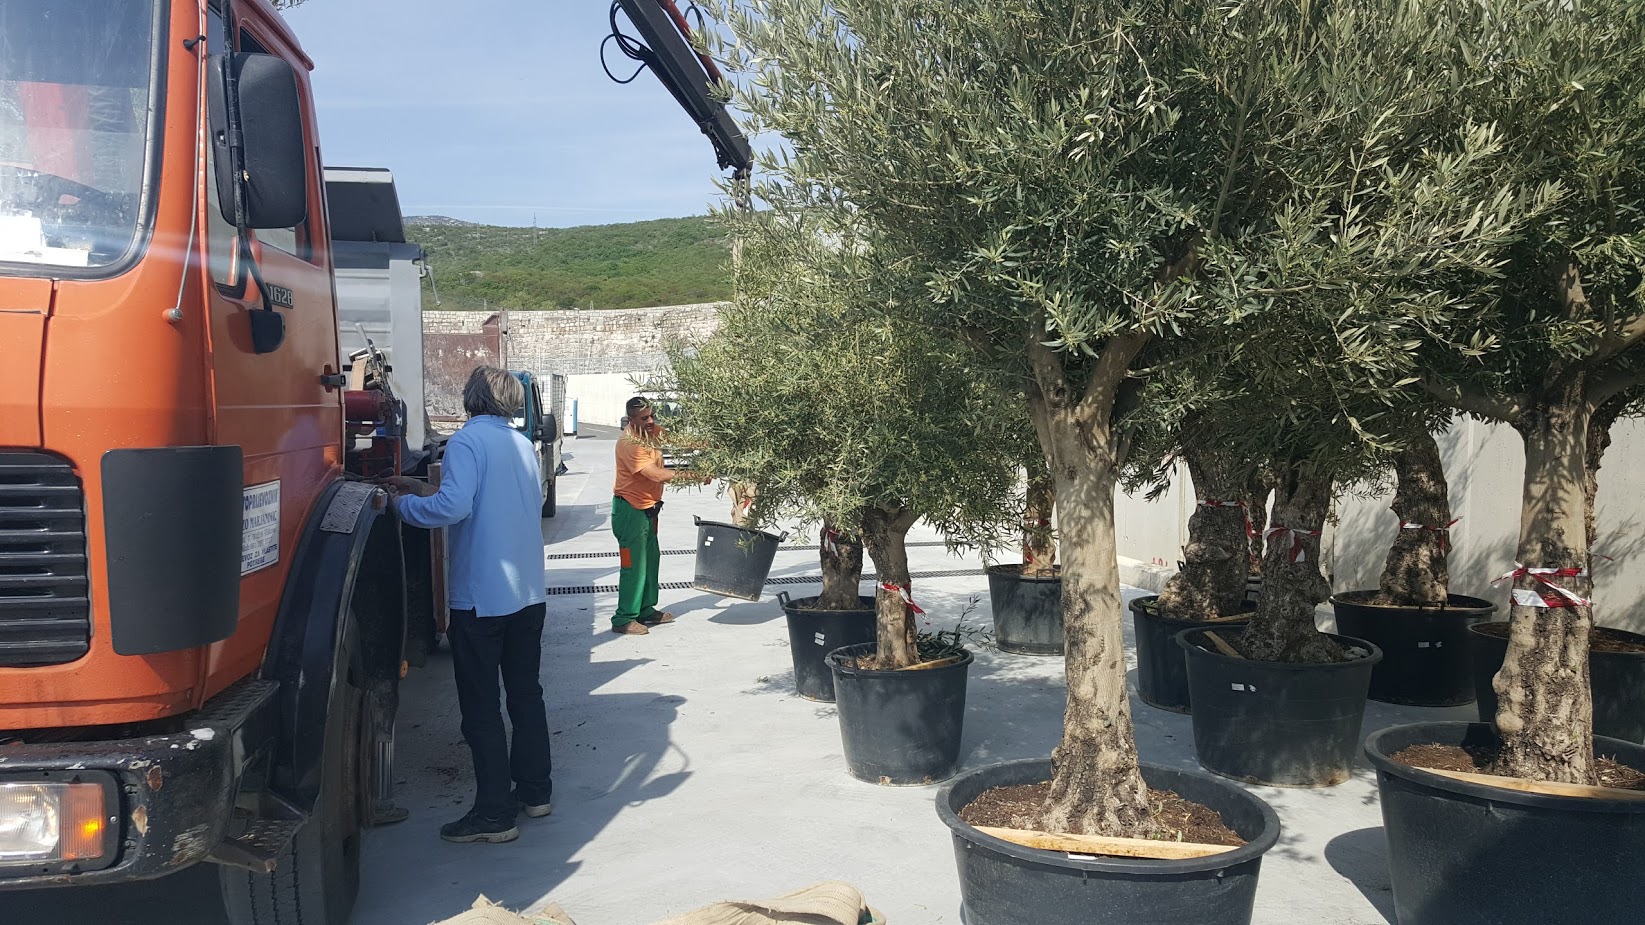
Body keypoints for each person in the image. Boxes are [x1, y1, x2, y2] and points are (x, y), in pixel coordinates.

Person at [384, 366, 553, 844]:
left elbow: (455, 508)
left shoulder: (466, 443)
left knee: (481, 708)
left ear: (470, 398)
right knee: (525, 695)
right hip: (527, 595)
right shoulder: (521, 444)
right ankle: (535, 792)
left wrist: (400, 506)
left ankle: (494, 815)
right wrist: (423, 490)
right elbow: (489, 502)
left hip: (481, 600)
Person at [611, 396, 687, 635]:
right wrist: (692, 476)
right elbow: (655, 474)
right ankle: (624, 618)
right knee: (633, 566)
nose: (651, 421)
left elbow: (678, 440)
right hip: (630, 511)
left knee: (651, 561)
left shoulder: (651, 431)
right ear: (631, 420)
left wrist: (713, 445)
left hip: (648, 510)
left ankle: (645, 609)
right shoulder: (629, 444)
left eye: (652, 415)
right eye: (645, 418)